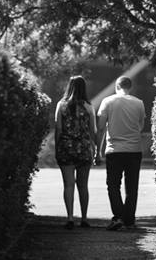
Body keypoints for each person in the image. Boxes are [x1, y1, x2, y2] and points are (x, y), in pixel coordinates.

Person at [97, 76, 146, 231]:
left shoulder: (108, 101)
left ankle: (118, 217)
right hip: (134, 150)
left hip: (114, 150)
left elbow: (100, 128)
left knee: (113, 185)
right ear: (129, 87)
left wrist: (97, 151)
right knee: (132, 187)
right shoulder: (139, 103)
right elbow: (140, 126)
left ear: (116, 86)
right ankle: (129, 220)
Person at [54, 75, 97, 229]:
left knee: (68, 184)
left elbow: (58, 128)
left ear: (69, 86)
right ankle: (84, 218)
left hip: (66, 147)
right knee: (83, 185)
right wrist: (93, 148)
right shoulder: (88, 106)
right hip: (84, 148)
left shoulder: (61, 105)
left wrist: (57, 146)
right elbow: (93, 130)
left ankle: (70, 217)